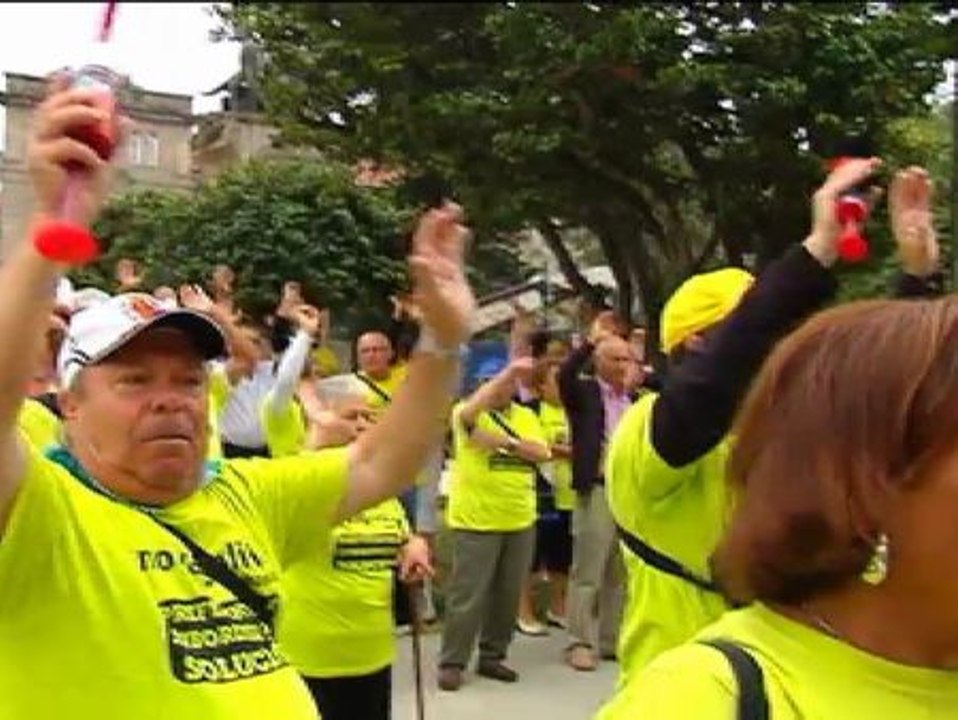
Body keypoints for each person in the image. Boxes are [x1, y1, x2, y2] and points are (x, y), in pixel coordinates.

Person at [0, 76, 474, 720]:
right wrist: (52, 228)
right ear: (71, 403)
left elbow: (379, 462)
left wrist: (443, 339)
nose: (171, 399)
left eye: (189, 380)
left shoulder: (245, 495)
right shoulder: (42, 514)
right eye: (135, 380)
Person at [601, 165, 958, 719]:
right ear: (698, 344)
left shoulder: (779, 437)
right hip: (721, 685)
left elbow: (901, 413)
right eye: (767, 328)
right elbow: (712, 388)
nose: (786, 348)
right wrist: (818, 251)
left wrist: (919, 277)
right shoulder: (648, 437)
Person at [265, 372, 433, 720]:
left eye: (367, 417)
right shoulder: (297, 473)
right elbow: (277, 401)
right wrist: (317, 432)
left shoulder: (379, 487)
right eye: (350, 416)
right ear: (323, 420)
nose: (360, 425)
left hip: (372, 655)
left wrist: (414, 546)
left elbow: (399, 534)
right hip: (309, 659)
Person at [438, 357, 551, 691]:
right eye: (490, 383)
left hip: (519, 518)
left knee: (507, 594)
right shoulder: (466, 413)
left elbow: (542, 452)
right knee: (468, 595)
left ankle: (493, 655)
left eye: (506, 384)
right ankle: (452, 661)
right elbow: (469, 418)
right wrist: (509, 372)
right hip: (476, 520)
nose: (500, 389)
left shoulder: (527, 416)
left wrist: (505, 442)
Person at [559, 313, 638, 671]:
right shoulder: (586, 392)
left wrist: (642, 373)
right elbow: (564, 375)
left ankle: (611, 639)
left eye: (627, 359)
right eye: (616, 359)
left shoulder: (635, 396)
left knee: (619, 570)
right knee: (588, 569)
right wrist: (591, 341)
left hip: (629, 490)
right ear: (599, 361)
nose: (623, 366)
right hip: (598, 487)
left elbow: (669, 386)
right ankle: (578, 641)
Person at [516, 361, 575, 635]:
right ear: (540, 386)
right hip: (542, 493)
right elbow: (533, 446)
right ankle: (523, 611)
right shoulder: (531, 411)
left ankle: (558, 607)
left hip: (570, 493)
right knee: (532, 556)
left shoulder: (576, 409)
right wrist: (568, 451)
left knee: (562, 556)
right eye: (556, 381)